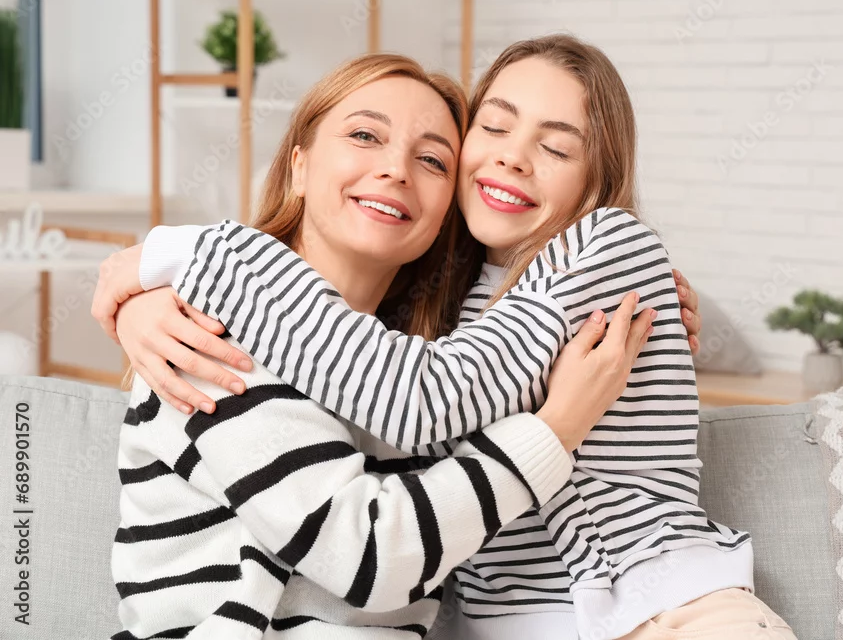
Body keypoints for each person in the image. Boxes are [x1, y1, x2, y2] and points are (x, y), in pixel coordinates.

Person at [96, 36, 796, 639]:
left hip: (670, 610)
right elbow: (376, 536)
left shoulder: (557, 269)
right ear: (299, 163)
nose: (396, 168)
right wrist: (170, 274)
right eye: (364, 136)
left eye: (433, 159)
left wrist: (185, 258)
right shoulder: (221, 334)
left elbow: (425, 402)